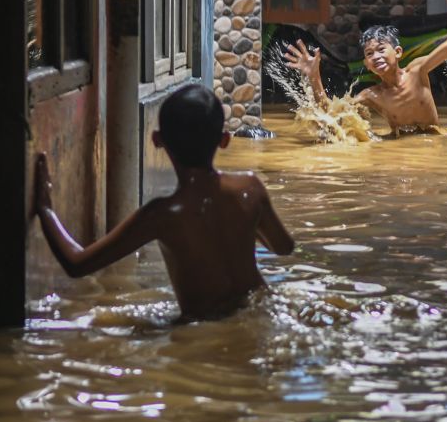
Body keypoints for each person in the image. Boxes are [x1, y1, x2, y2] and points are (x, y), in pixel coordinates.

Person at [33, 84, 295, 321]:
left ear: (157, 140)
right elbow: (284, 247)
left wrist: (45, 209)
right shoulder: (250, 188)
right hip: (263, 313)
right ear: (224, 140)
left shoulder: (162, 215)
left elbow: (77, 264)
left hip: (202, 328)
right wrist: (249, 221)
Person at [282, 0, 447, 135]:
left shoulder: (417, 71)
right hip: (398, 148)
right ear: (367, 64)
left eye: (381, 49)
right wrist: (314, 76)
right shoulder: (372, 95)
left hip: (432, 142)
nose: (376, 56)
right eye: (369, 54)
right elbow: (332, 115)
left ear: (398, 52)